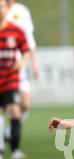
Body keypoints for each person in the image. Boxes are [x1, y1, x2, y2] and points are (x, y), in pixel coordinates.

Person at [3, 0, 39, 145]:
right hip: (2, 67)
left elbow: (29, 40)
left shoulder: (22, 11)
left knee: (25, 103)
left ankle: (8, 132)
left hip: (18, 66)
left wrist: (34, 62)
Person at [0, 0, 29, 159]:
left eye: (1, 7)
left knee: (15, 111)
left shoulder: (15, 30)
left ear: (7, 8)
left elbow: (26, 50)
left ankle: (16, 151)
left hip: (10, 77)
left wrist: (22, 61)